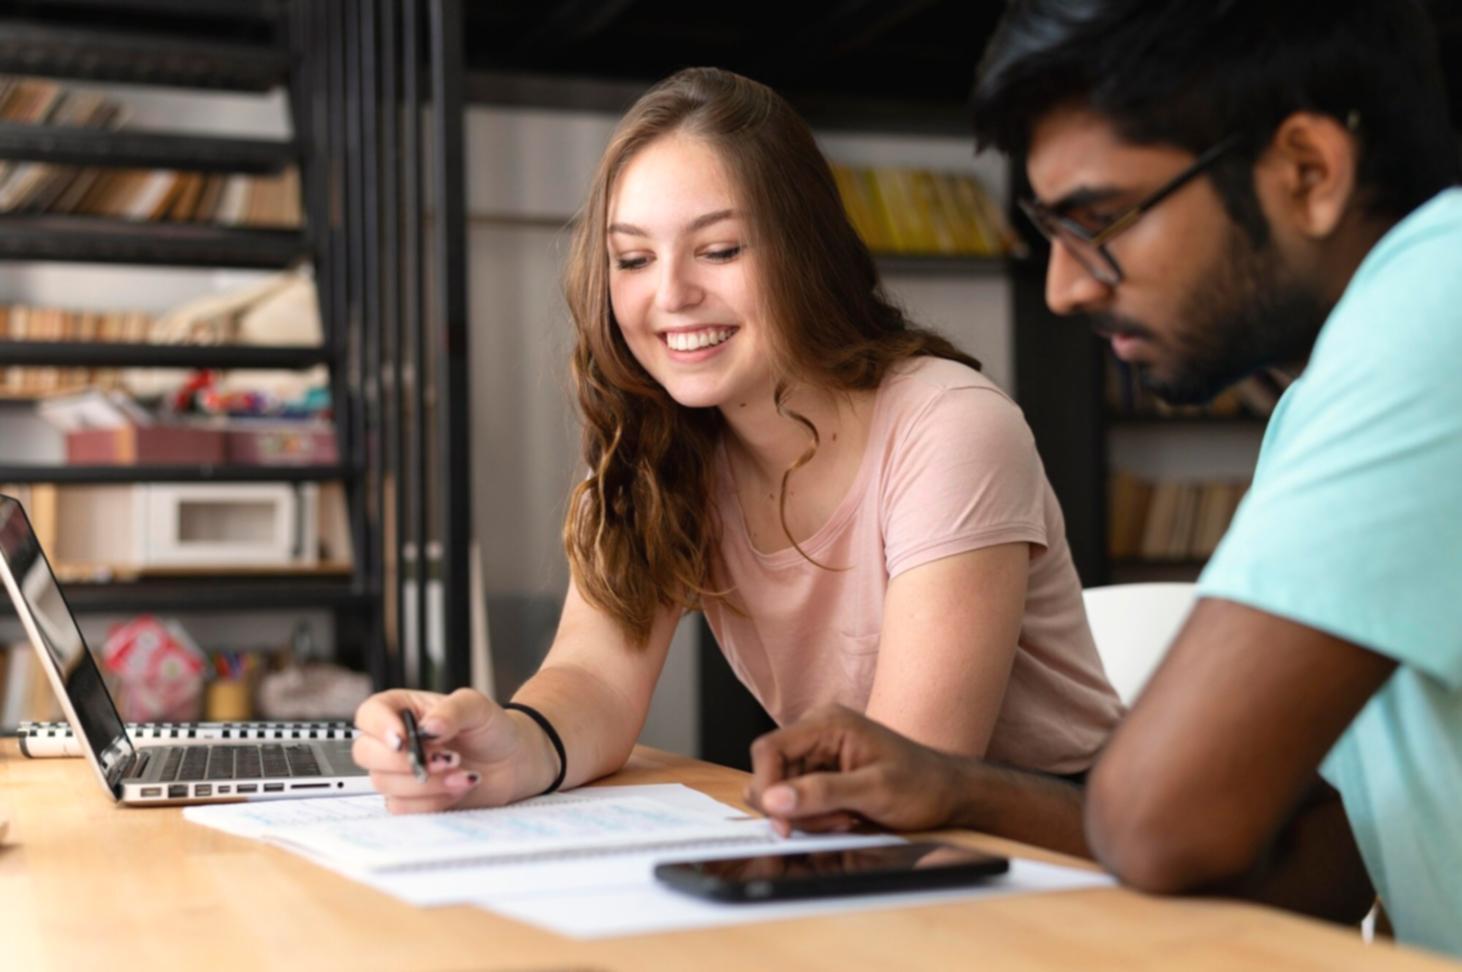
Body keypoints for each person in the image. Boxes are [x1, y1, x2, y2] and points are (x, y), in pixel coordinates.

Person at [743, 0, 1462, 956]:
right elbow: (1310, 864)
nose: (1065, 287)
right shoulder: (1330, 387)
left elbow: (1163, 821)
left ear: (1308, 171)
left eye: (1100, 219)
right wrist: (955, 785)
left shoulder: (1435, 306)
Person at [352, 67, 1121, 827]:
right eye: (633, 259)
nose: (672, 294)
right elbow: (595, 677)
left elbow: (911, 768)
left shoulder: (948, 426)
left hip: (1059, 857)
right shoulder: (653, 439)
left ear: (805, 251)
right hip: (878, 848)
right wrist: (504, 746)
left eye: (719, 250)